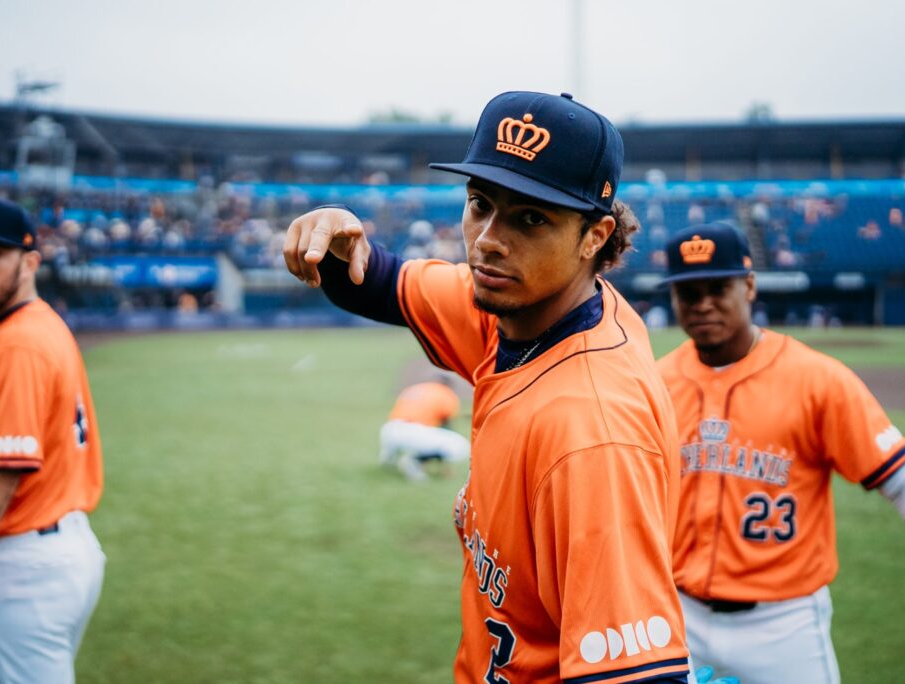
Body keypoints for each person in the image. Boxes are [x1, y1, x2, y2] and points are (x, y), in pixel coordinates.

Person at [285, 91, 692, 683]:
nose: (486, 239)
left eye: (531, 217)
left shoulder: (592, 437)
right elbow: (382, 282)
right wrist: (335, 244)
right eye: (480, 204)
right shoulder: (517, 309)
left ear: (595, 236)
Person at [656, 222, 905, 683]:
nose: (702, 304)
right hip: (677, 613)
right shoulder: (655, 382)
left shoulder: (818, 379)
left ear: (750, 285)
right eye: (687, 291)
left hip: (782, 625)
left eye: (718, 287)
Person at [0, 197, 106, 683]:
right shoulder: (39, 324)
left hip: (24, 565)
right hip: (61, 549)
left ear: (30, 262)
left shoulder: (17, 344)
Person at [378, 376, 470, 482]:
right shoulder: (445, 392)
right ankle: (416, 460)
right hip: (414, 431)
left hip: (389, 429)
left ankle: (389, 458)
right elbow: (446, 425)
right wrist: (445, 464)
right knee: (460, 445)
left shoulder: (414, 388)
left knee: (418, 436)